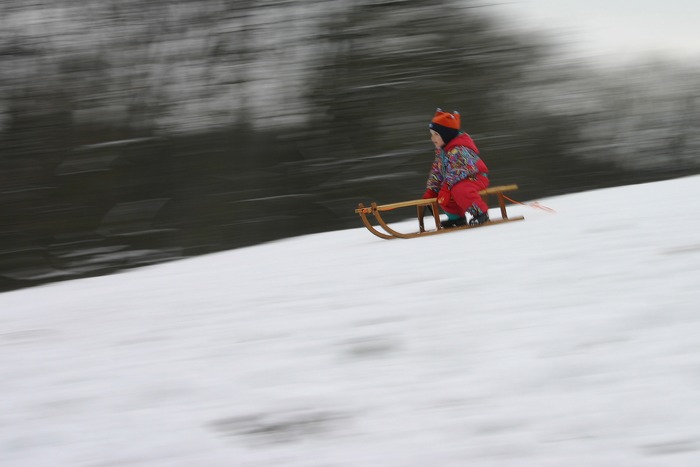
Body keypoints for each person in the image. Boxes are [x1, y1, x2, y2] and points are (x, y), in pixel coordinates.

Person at [422, 109, 490, 227]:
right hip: (454, 181)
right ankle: (457, 218)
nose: (432, 138)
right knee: (444, 191)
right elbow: (437, 171)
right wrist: (432, 190)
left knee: (459, 190)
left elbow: (457, 172)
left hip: (475, 177)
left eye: (436, 135)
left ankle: (481, 213)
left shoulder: (459, 149)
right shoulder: (441, 150)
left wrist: (445, 188)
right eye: (431, 134)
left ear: (446, 135)